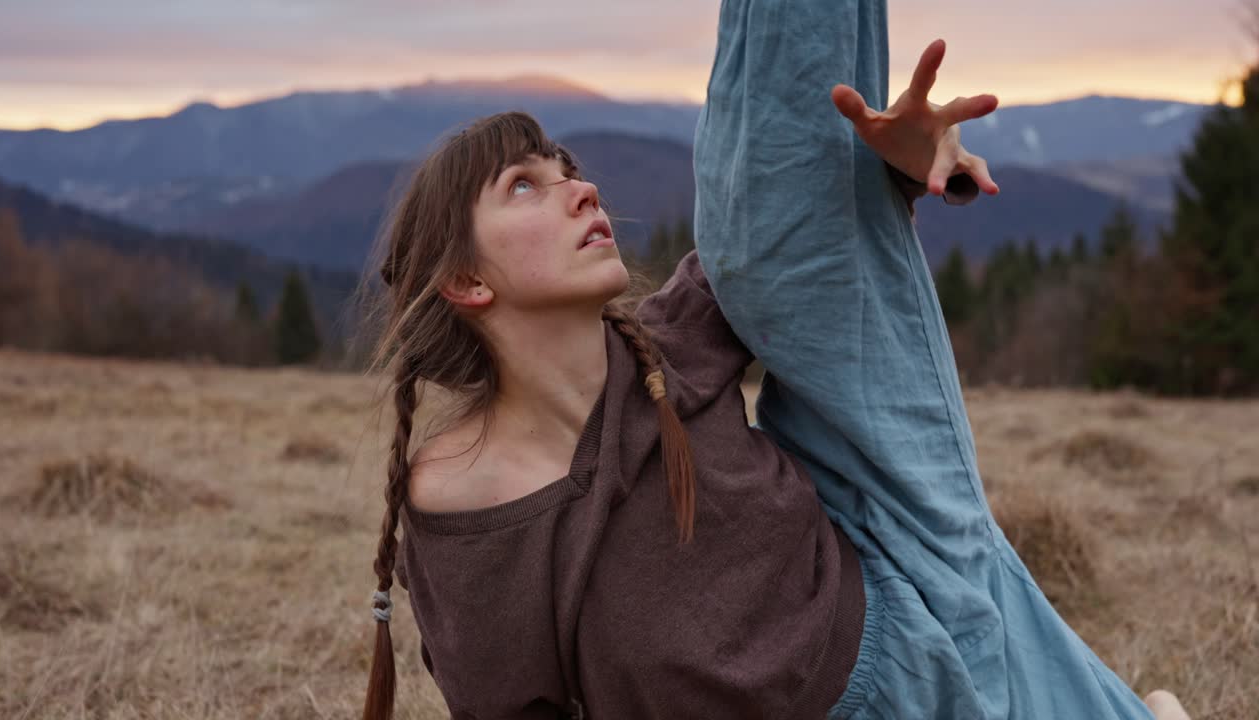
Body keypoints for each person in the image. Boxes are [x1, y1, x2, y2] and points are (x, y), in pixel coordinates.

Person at [354, 8, 1191, 720]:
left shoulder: (670, 345)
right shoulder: (463, 501)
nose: (583, 190)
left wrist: (889, 172)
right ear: (465, 281)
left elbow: (791, 242)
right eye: (524, 186)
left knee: (754, 232)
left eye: (569, 170)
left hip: (909, 628)